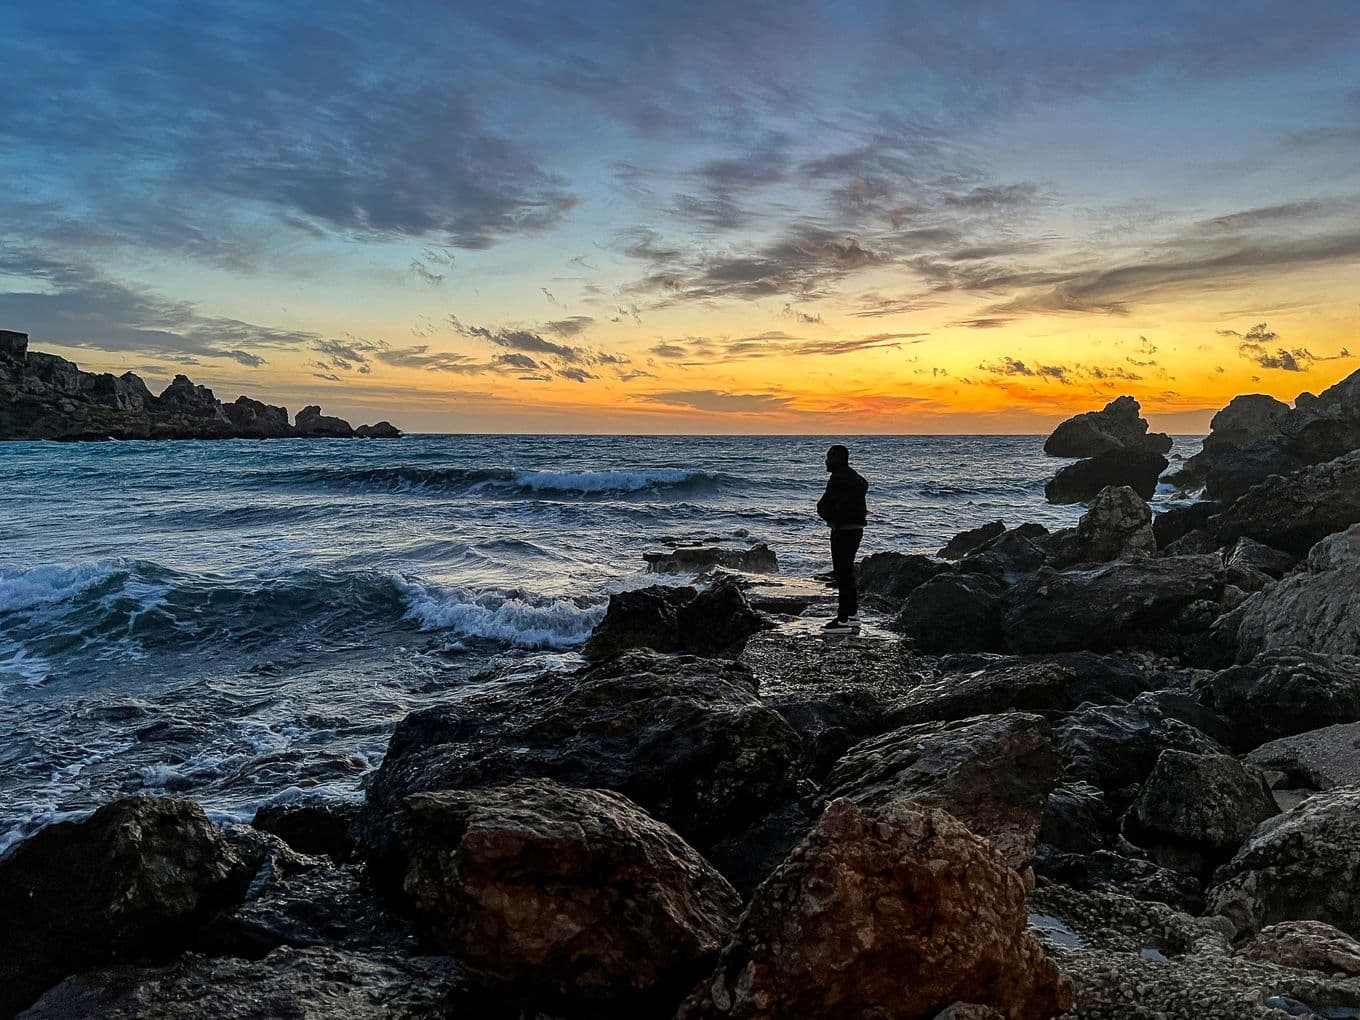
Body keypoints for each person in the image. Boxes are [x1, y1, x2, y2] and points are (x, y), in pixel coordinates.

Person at [815, 444, 867, 634]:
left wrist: (829, 516)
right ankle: (852, 615)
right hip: (856, 529)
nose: (826, 461)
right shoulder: (855, 477)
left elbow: (825, 503)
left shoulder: (838, 479)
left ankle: (842, 620)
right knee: (847, 573)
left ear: (836, 459)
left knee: (842, 574)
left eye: (829, 457)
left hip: (843, 530)